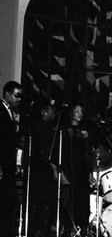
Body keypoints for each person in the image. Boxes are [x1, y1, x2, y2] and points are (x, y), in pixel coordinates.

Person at [50, 104, 93, 236]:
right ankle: (65, 230)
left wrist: (90, 173)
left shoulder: (84, 133)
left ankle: (81, 230)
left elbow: (86, 155)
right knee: (67, 203)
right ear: (71, 113)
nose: (79, 114)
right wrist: (58, 172)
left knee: (82, 203)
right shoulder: (63, 131)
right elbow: (56, 154)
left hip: (81, 173)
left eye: (81, 112)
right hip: (68, 171)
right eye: (77, 111)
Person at [30, 101, 58, 237]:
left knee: (44, 205)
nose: (54, 113)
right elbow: (44, 152)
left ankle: (41, 230)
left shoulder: (47, 128)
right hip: (42, 172)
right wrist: (52, 168)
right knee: (43, 205)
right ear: (44, 112)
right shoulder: (42, 128)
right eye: (51, 110)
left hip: (41, 171)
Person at [0, 81, 23, 236]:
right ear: (7, 94)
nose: (19, 99)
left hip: (7, 166)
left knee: (7, 204)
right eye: (16, 95)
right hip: (2, 166)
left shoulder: (9, 112)